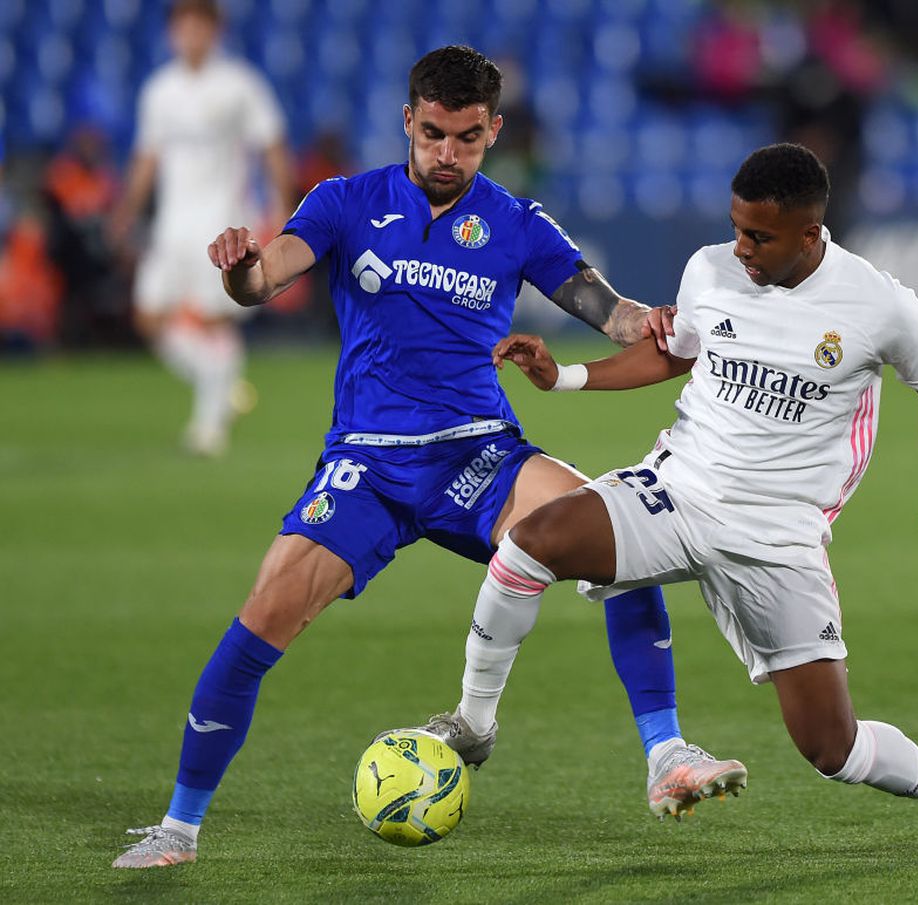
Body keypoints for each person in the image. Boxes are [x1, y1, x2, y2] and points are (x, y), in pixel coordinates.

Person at [112, 44, 742, 870]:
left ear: (494, 132)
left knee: (615, 536)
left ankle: (667, 755)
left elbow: (612, 314)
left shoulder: (517, 224)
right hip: (368, 462)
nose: (448, 154)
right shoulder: (344, 201)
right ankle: (179, 829)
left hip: (479, 451)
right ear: (409, 120)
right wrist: (237, 269)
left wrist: (663, 321)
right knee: (264, 615)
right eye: (435, 133)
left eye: (468, 138)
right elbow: (265, 280)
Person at [440, 143, 918, 848]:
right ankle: (474, 724)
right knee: (529, 546)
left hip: (778, 534)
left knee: (831, 747)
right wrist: (565, 377)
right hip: (682, 487)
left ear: (811, 233)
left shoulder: (879, 303)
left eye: (760, 236)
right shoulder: (709, 268)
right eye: (736, 228)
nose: (742, 247)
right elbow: (675, 351)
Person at [110, 0, 293, 456]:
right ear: (172, 33)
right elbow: (147, 158)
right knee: (150, 316)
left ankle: (208, 427)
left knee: (213, 321)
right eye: (182, 27)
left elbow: (271, 146)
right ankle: (222, 386)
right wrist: (126, 210)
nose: (190, 35)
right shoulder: (159, 90)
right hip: (173, 224)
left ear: (215, 31)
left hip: (222, 221)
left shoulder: (239, 85)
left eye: (199, 26)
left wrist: (286, 208)